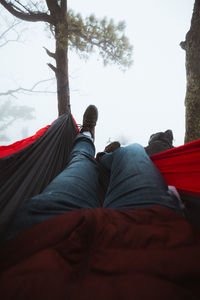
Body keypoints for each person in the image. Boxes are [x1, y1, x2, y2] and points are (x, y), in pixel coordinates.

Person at [5, 105, 183, 241]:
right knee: (132, 151)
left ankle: (88, 138)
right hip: (149, 233)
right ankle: (105, 155)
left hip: (51, 231)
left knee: (81, 160)